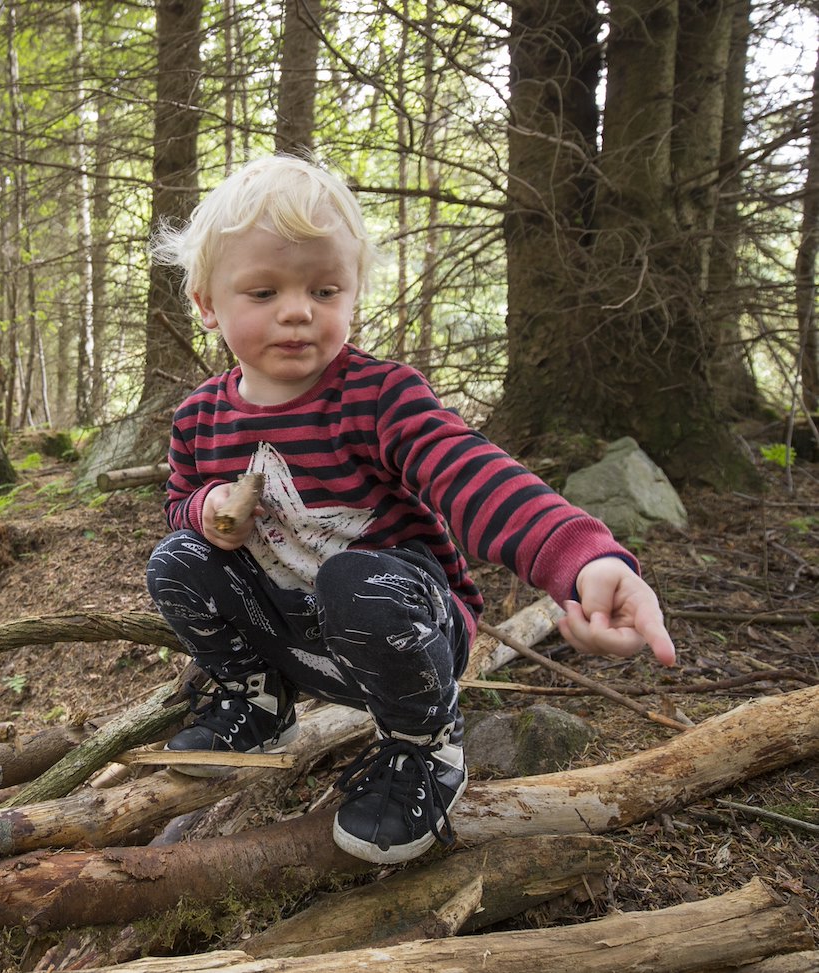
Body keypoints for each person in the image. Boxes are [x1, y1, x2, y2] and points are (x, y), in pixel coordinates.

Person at [144, 154, 676, 865]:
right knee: (174, 560)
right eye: (265, 290)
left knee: (351, 582)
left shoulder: (379, 396)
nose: (298, 309)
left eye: (324, 288)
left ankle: (425, 746)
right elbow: (179, 503)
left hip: (405, 627)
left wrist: (582, 560)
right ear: (208, 303)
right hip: (296, 630)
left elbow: (470, 474)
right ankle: (256, 698)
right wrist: (207, 506)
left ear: (354, 292)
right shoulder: (200, 417)